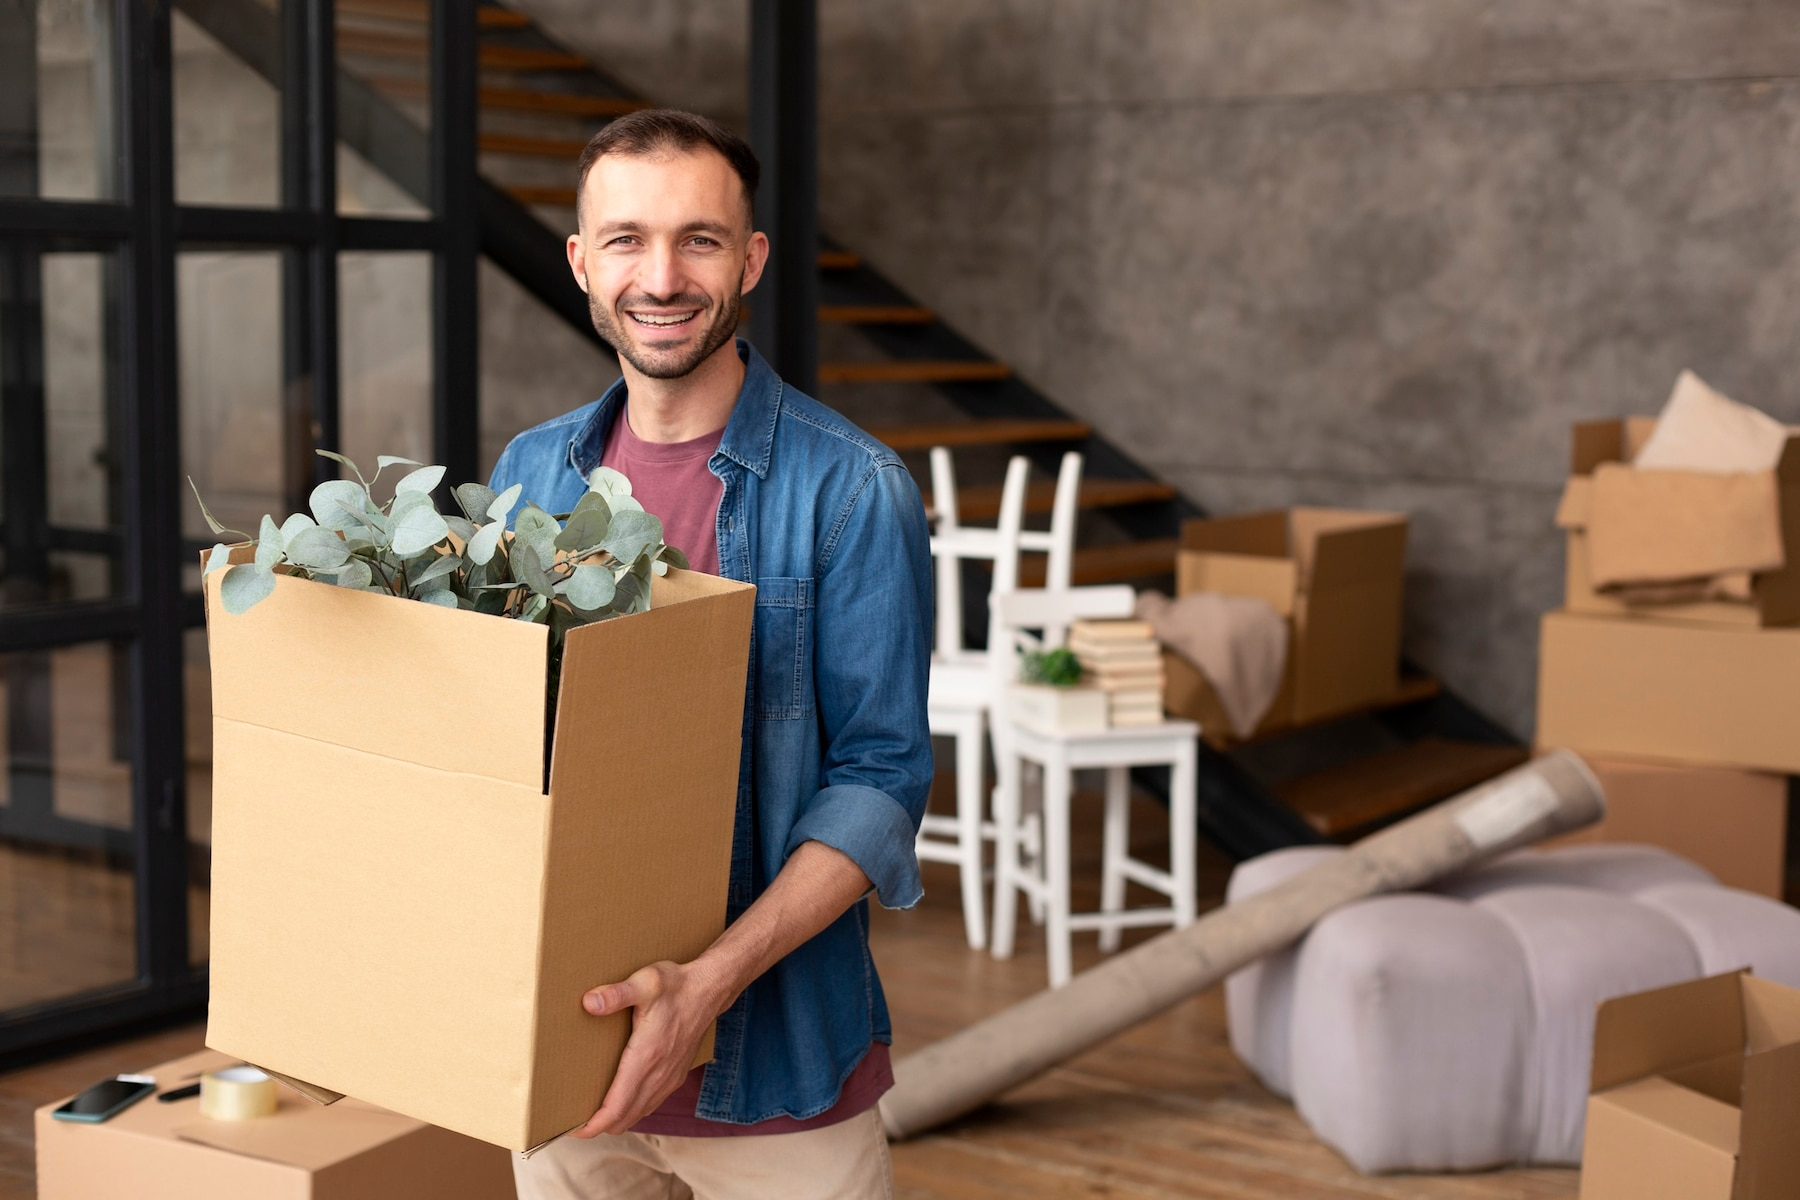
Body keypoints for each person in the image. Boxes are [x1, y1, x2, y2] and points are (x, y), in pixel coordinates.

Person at [487, 108, 933, 1200]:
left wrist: (707, 986)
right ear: (583, 262)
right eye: (628, 239)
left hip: (779, 1077)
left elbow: (879, 784)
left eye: (700, 238)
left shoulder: (853, 490)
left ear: (751, 258)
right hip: (567, 1062)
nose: (663, 275)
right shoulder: (532, 473)